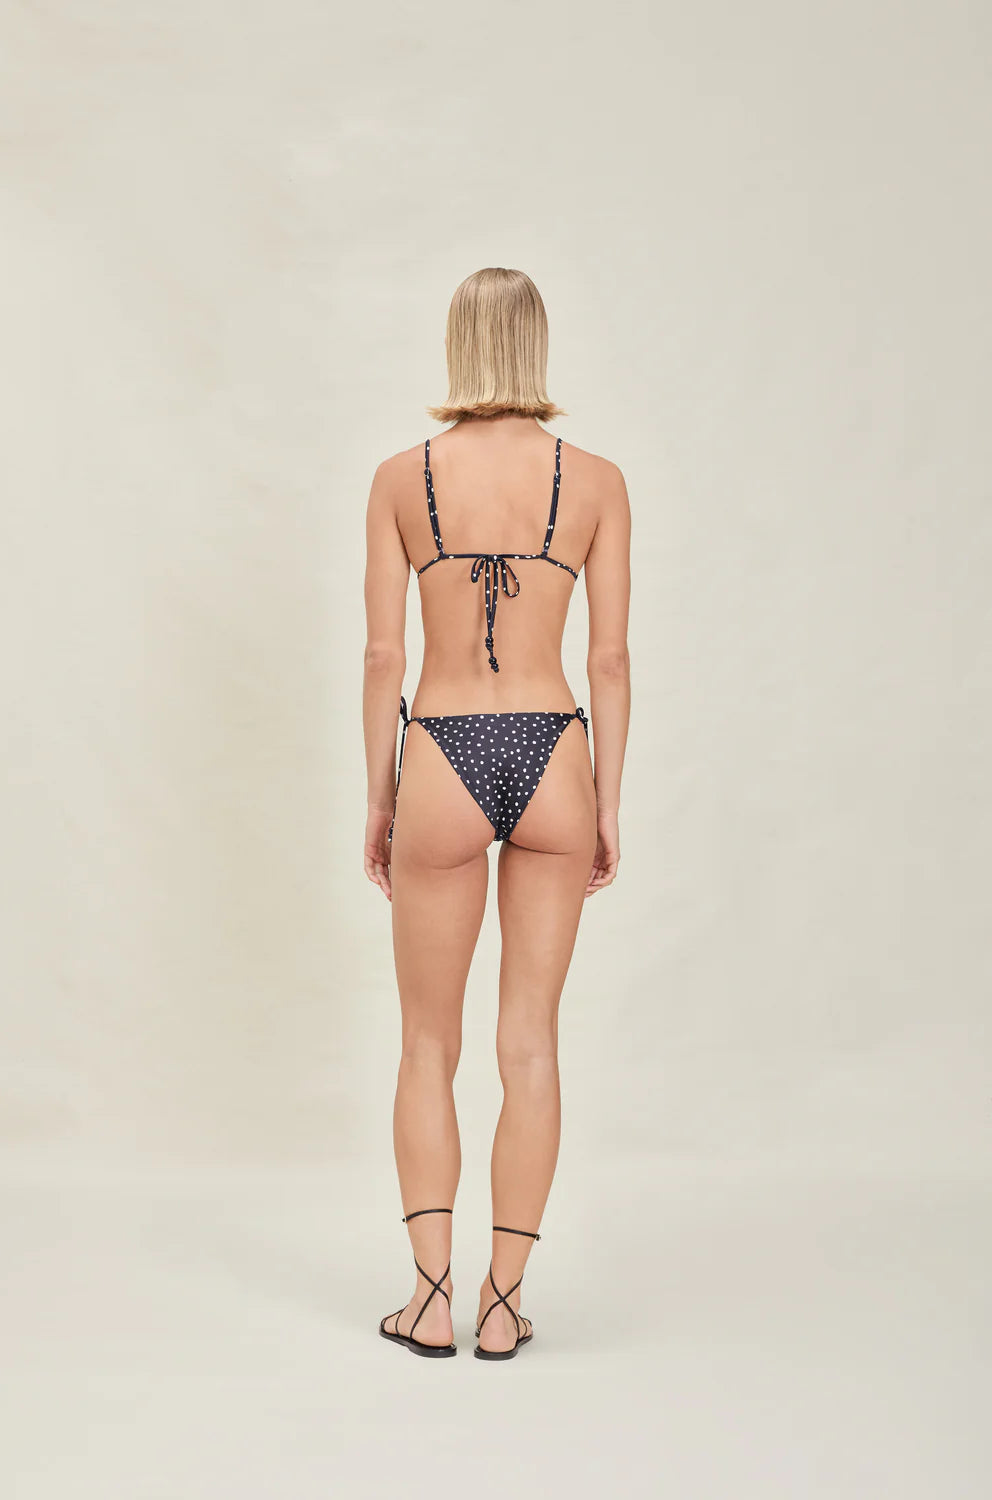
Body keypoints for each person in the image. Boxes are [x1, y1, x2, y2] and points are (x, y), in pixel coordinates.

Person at [362, 267, 631, 1360]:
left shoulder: (400, 479)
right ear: (536, 344)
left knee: (427, 1044)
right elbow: (608, 660)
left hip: (441, 749)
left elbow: (384, 657)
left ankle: (429, 1300)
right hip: (554, 749)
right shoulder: (597, 481)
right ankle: (506, 1305)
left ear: (458, 344)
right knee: (530, 1044)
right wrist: (607, 800)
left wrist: (380, 797)